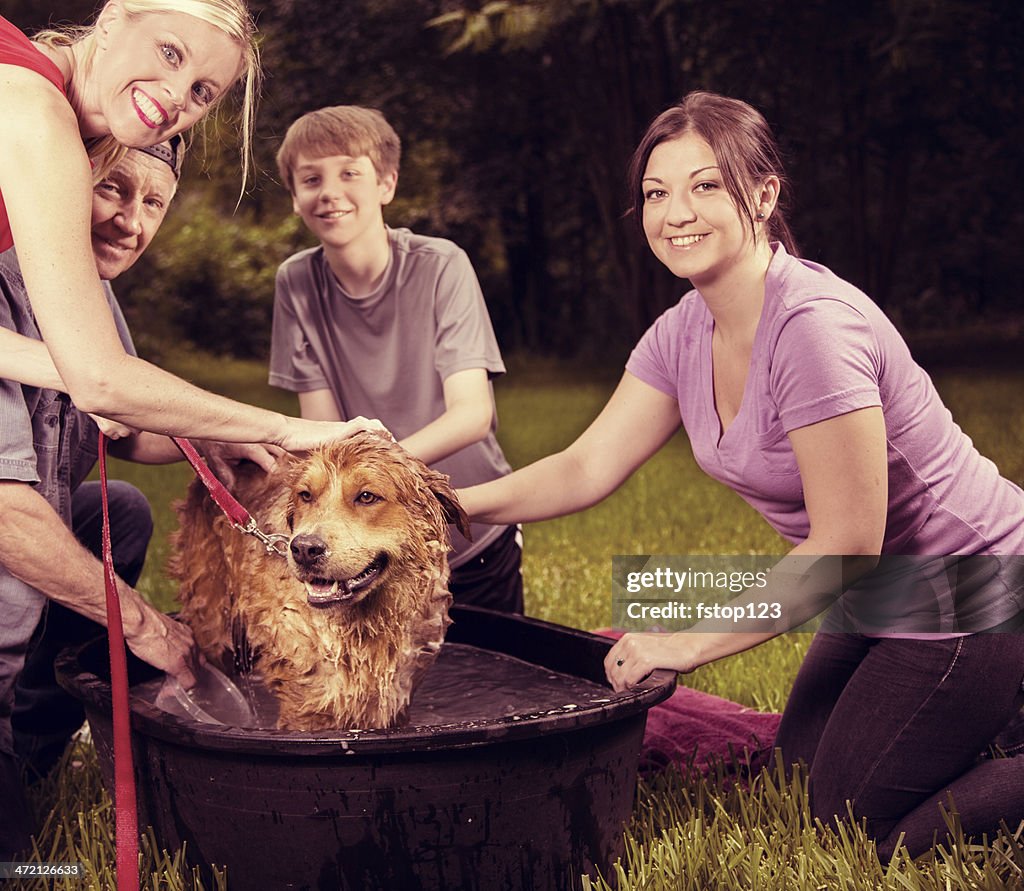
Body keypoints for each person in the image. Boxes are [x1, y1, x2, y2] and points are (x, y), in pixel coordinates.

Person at [458, 91, 1024, 858]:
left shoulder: (814, 329)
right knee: (793, 782)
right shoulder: (684, 329)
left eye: (705, 185)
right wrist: (446, 504)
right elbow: (584, 465)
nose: (674, 211)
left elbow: (847, 542)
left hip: (972, 584)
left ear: (762, 194)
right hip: (877, 592)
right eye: (656, 193)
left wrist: (684, 640)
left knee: (850, 830)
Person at [0, 136, 285, 858]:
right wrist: (144, 623)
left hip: (481, 555)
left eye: (153, 201)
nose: (132, 219)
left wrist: (212, 441)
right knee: (26, 866)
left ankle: (30, 745)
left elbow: (122, 425)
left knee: (118, 508)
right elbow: (7, 514)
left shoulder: (85, 293)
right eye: (113, 189)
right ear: (64, 181)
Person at [0, 2, 382, 523]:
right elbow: (99, 378)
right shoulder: (36, 113)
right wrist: (283, 427)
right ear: (111, 22)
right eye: (169, 52)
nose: (176, 96)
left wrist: (203, 431)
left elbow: (85, 375)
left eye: (203, 90)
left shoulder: (63, 129)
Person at [269, 105, 523, 612]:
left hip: (470, 531)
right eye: (311, 178)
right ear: (296, 198)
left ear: (386, 183)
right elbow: (323, 433)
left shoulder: (440, 265)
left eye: (350, 173)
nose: (330, 191)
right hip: (364, 546)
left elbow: (472, 414)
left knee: (490, 684)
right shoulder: (296, 282)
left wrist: (380, 481)